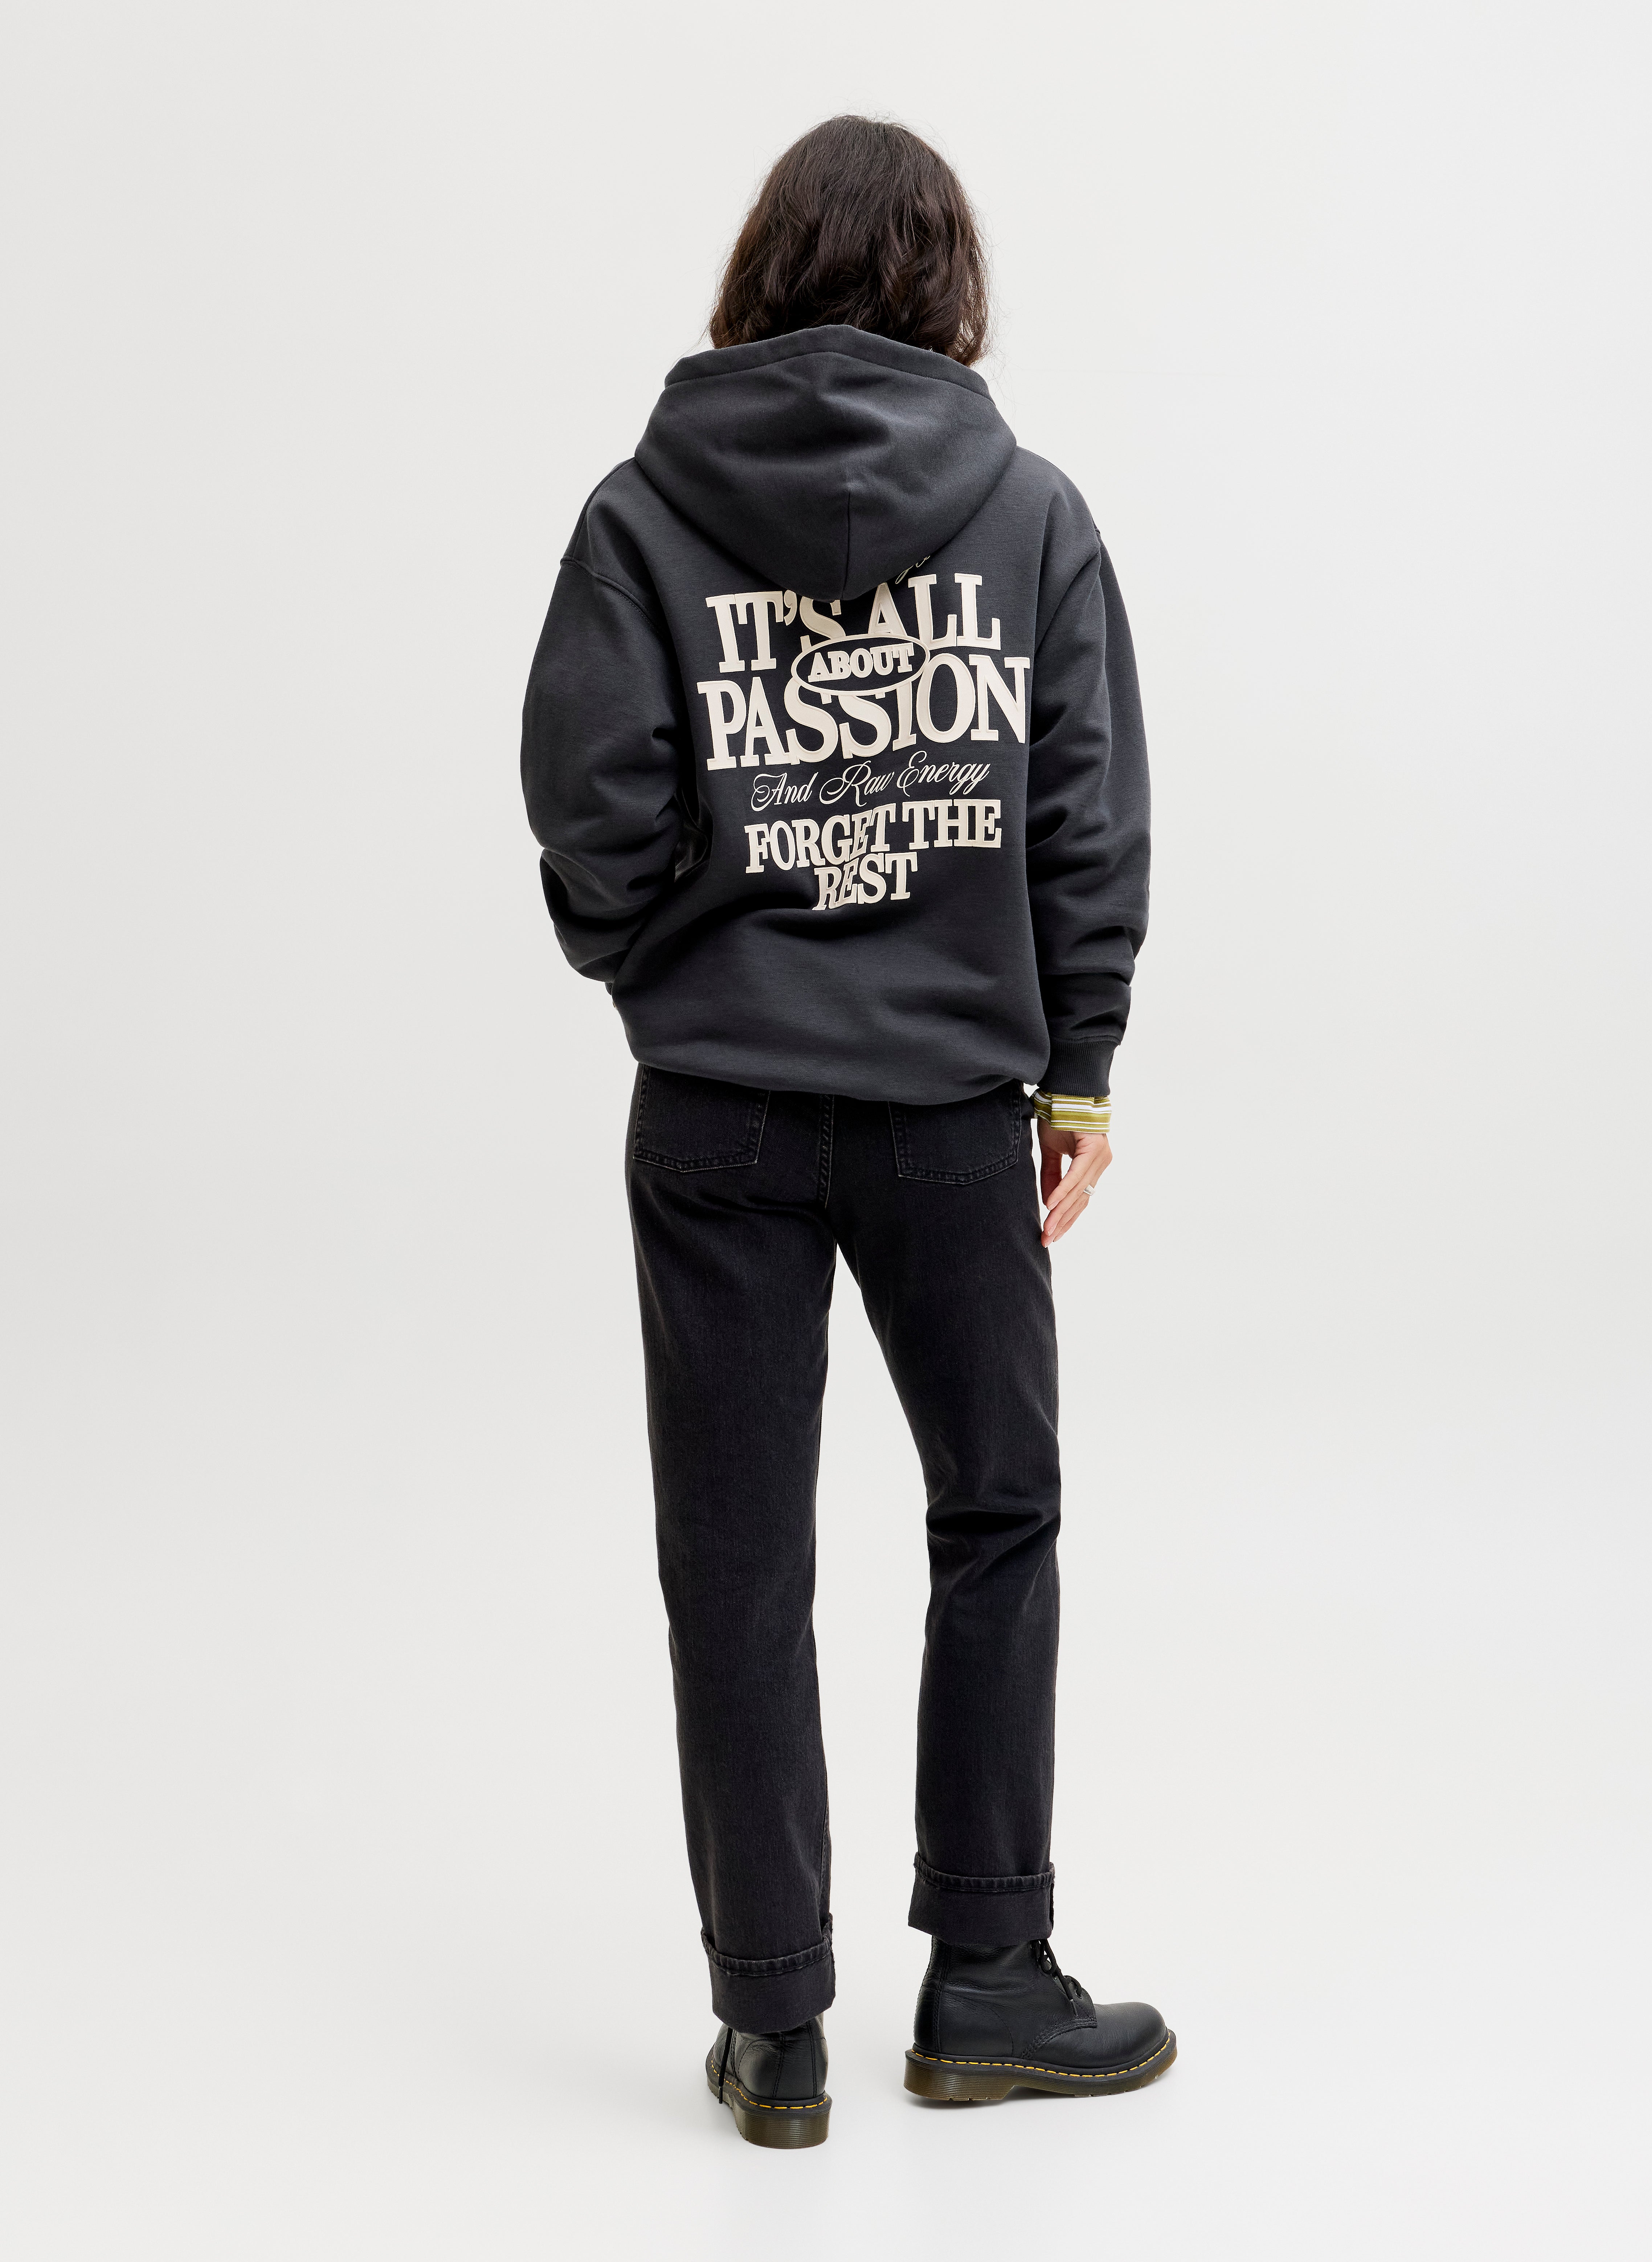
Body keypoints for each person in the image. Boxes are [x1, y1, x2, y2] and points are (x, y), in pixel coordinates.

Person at [520, 115, 1169, 2149]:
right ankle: (987, 1976)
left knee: (735, 1564)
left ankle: (774, 2028)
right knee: (996, 1511)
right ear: (947, 283)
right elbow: (1080, 813)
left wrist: (671, 953)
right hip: (952, 1113)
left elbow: (589, 806)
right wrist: (1076, 1067)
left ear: (760, 267)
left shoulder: (644, 514)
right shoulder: (1030, 514)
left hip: (715, 1111)